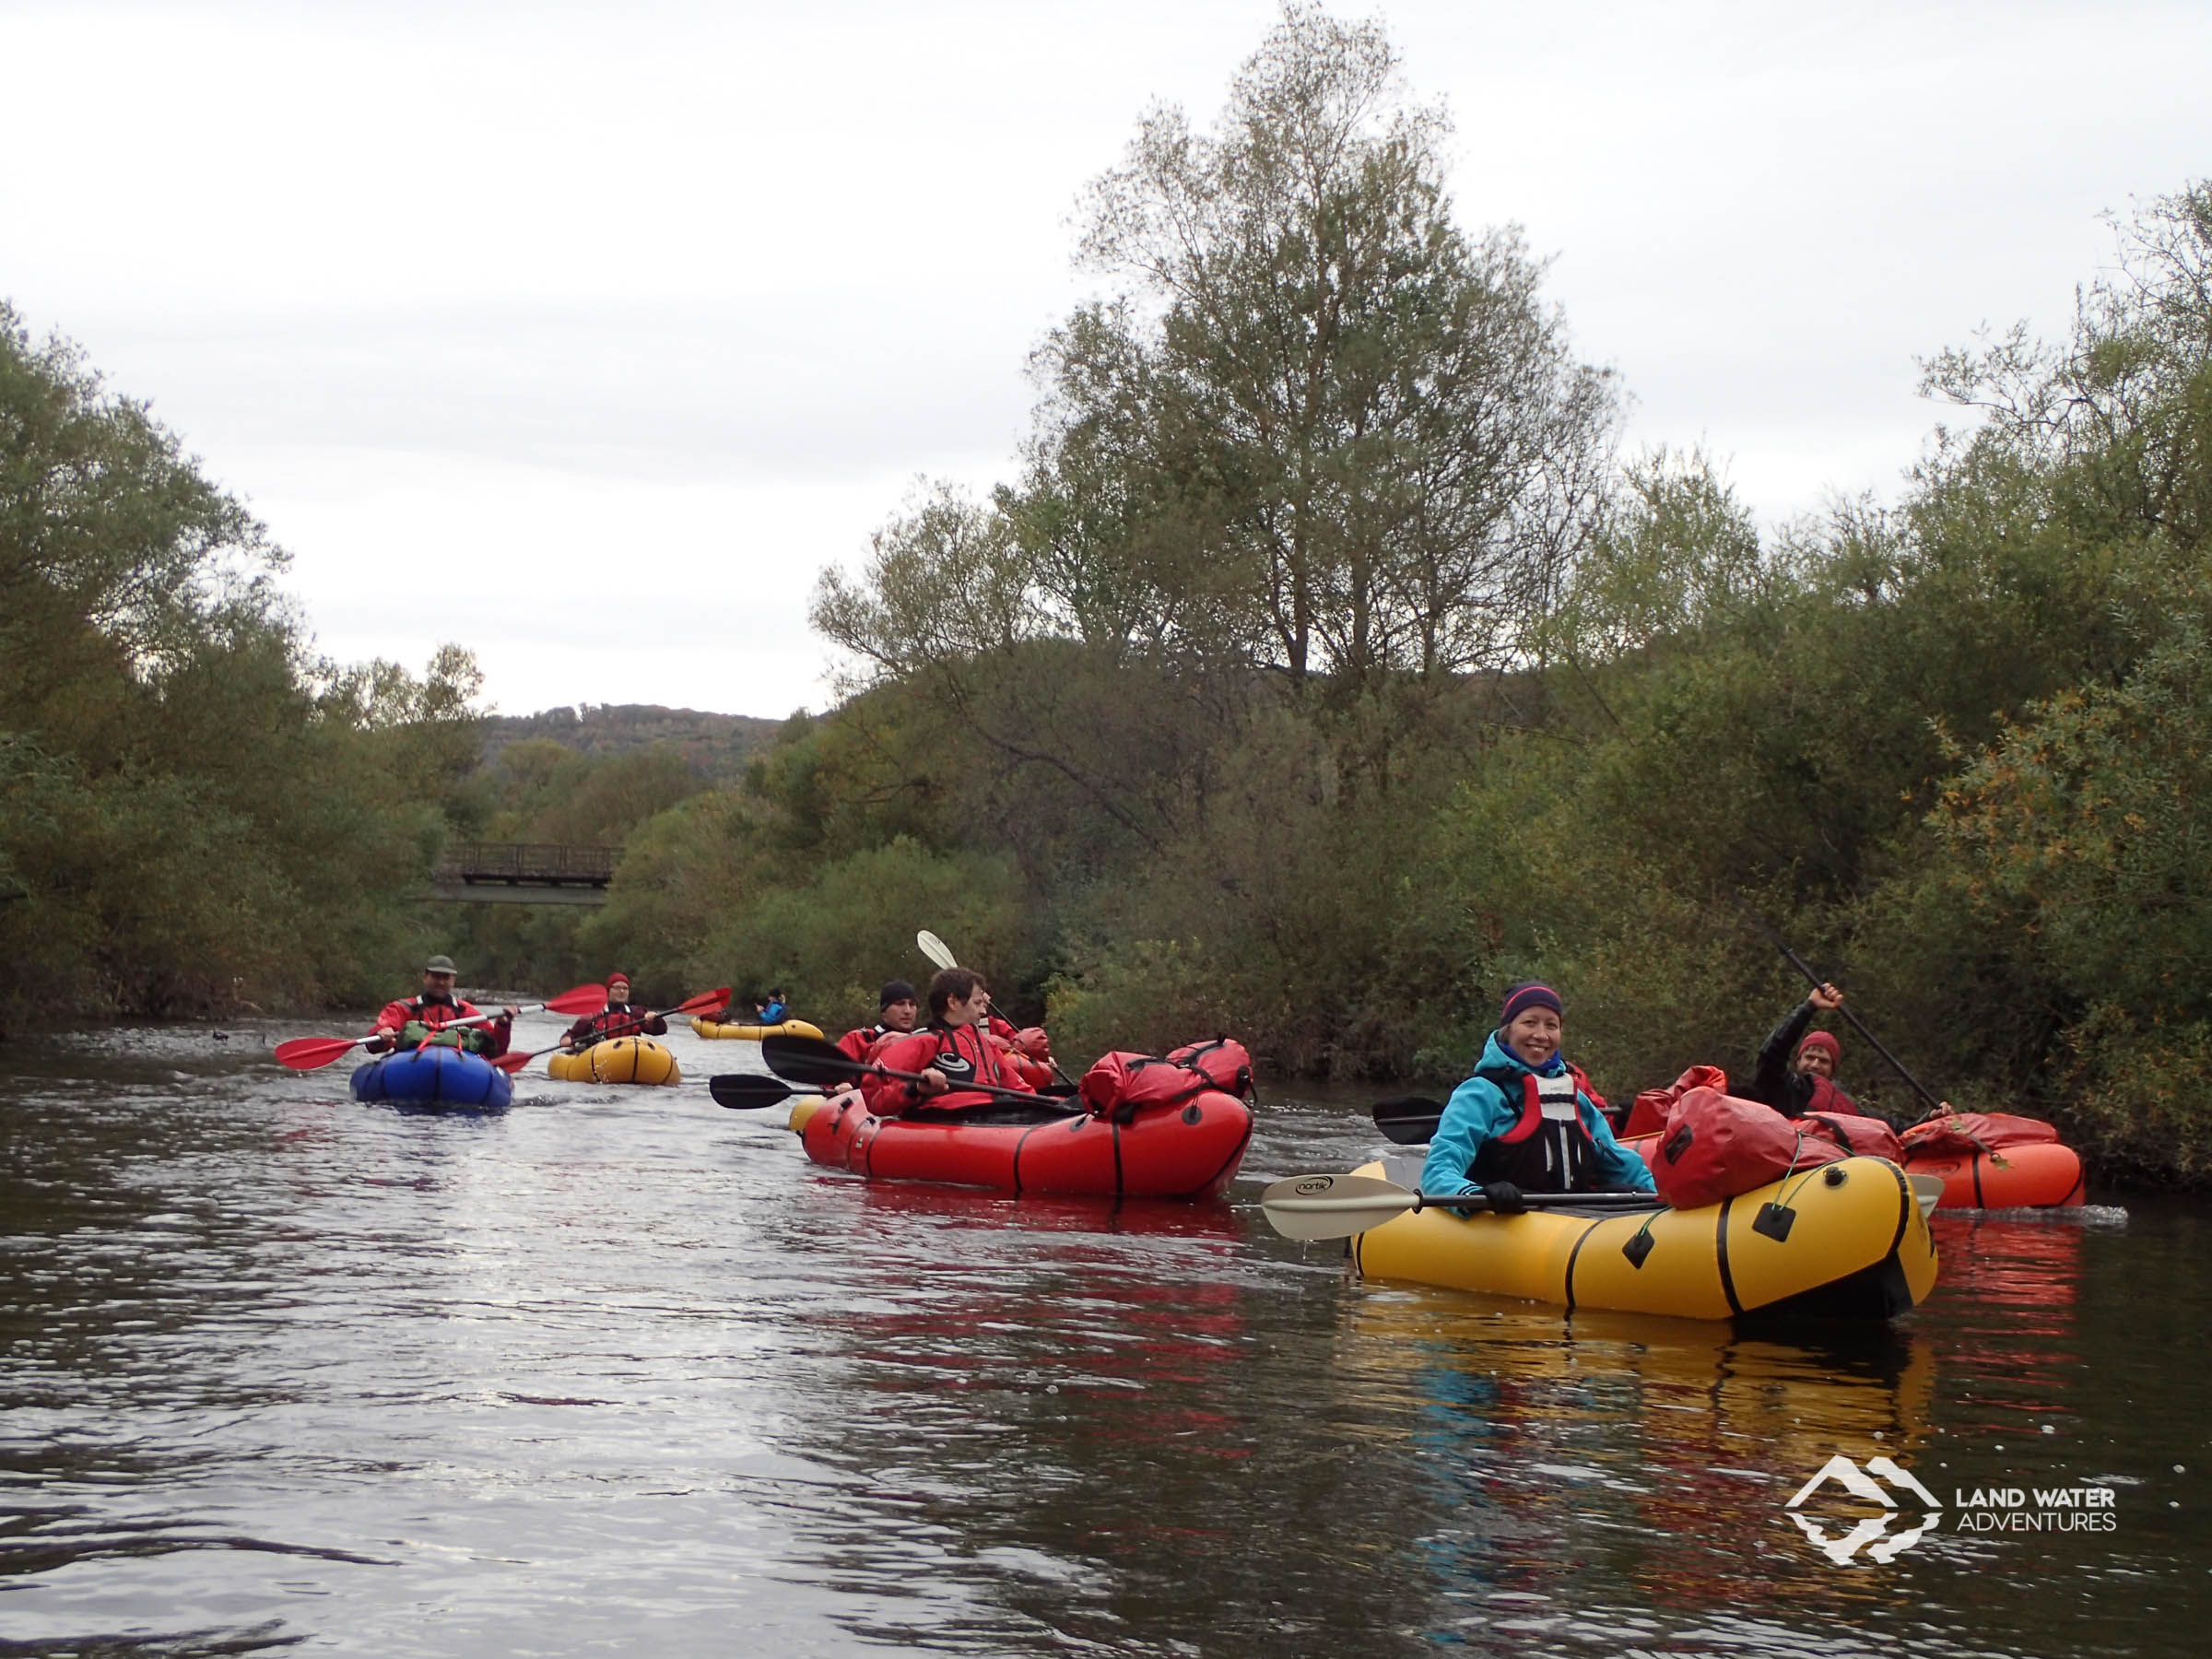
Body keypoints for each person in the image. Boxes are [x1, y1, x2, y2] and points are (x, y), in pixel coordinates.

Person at [1420, 982, 1656, 1212]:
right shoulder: (1480, 1094)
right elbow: (1439, 1169)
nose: (1541, 1035)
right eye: (1530, 1022)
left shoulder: (1575, 1098)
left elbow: (1620, 1162)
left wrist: (1660, 1197)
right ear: (1508, 1029)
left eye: (1551, 1025)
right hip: (1504, 1216)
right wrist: (1473, 1194)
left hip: (1573, 1214)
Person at [865, 968, 1035, 1117]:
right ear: (953, 1002)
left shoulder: (987, 1046)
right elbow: (874, 1097)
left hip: (990, 1119)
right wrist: (916, 1088)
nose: (983, 1011)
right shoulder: (923, 1042)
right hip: (944, 1124)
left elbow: (1022, 1092)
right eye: (977, 1003)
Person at [1747, 982, 1877, 1121]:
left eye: (1823, 1061)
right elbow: (1772, 1053)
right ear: (1798, 1061)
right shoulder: (1780, 1087)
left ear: (1833, 1069)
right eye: (1810, 1057)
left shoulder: (1845, 1105)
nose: (1815, 1065)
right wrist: (1809, 1007)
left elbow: (1889, 1123)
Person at [368, 955, 516, 1058]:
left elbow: (496, 1050)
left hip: (458, 1067)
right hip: (411, 1064)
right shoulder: (402, 1008)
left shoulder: (465, 1011)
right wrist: (380, 1035)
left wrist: (503, 1025)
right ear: (425, 977)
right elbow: (373, 1046)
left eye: (445, 977)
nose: (440, 982)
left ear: (453, 981)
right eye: (436, 976)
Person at [563, 971, 665, 1053]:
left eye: (625, 988)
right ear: (608, 991)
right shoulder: (595, 1014)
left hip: (629, 1054)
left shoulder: (636, 1013)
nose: (621, 991)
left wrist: (656, 1019)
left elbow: (661, 1030)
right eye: (617, 988)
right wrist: (567, 1039)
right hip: (600, 1055)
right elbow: (573, 1034)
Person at [836, 980, 921, 1063]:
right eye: (900, 1004)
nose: (908, 1011)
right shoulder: (858, 1040)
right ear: (884, 1011)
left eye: (912, 1004)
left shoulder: (923, 1045)